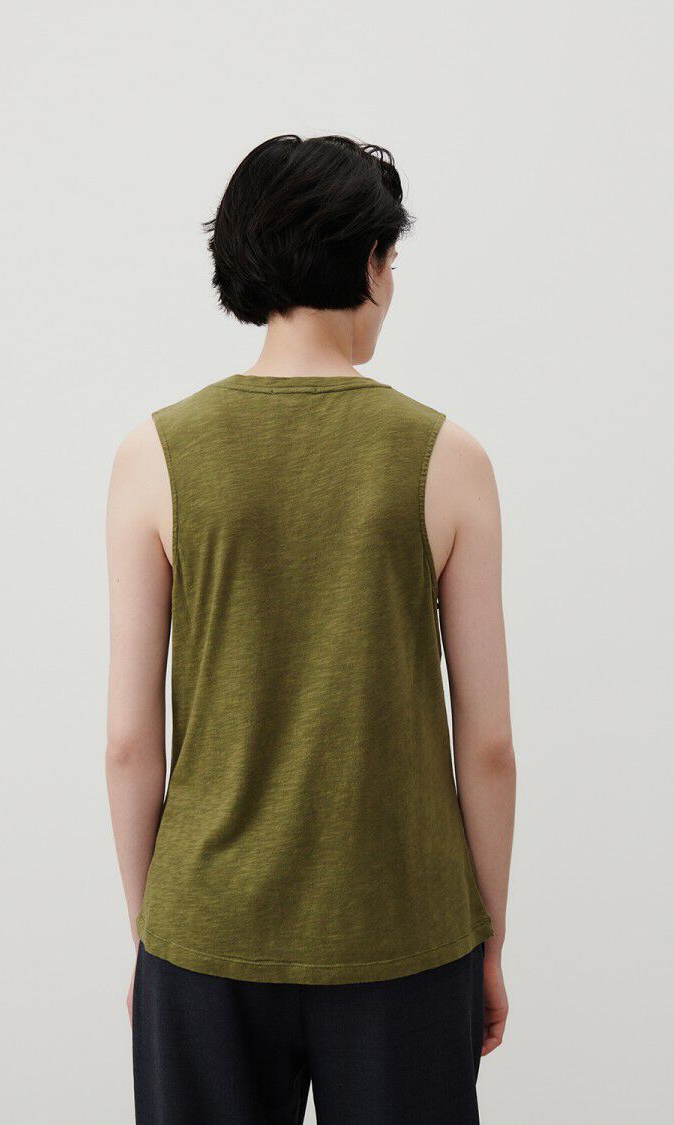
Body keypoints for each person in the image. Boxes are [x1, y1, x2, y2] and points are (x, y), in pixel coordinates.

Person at [106, 134, 516, 1124]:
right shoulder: (447, 457)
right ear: (369, 262)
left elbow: (127, 744)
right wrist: (490, 942)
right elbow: (489, 746)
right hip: (405, 929)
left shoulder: (155, 453)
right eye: (391, 259)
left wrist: (156, 936)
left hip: (205, 932)